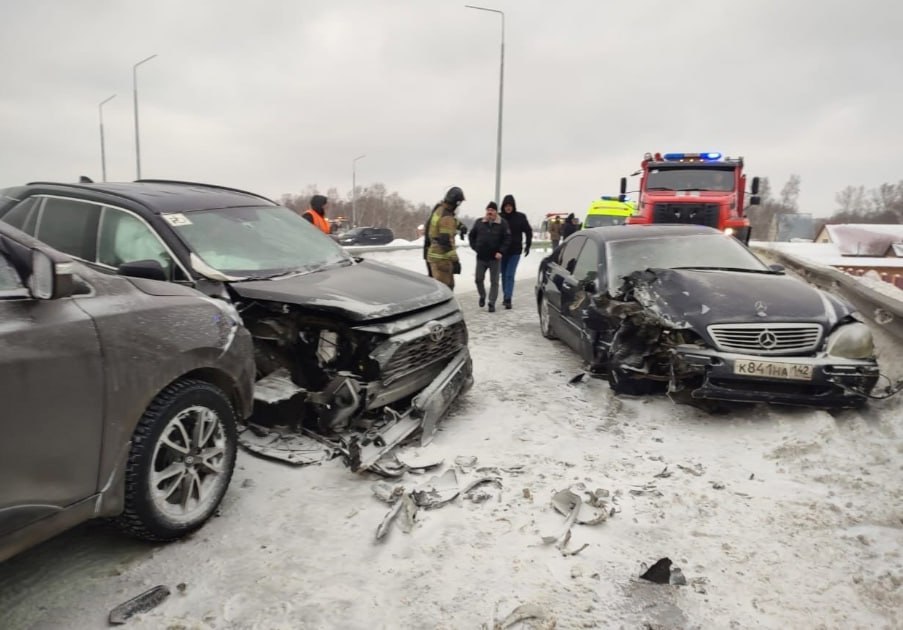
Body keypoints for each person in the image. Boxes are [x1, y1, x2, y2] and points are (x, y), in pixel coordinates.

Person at [468, 201, 511, 312]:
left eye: (492, 210)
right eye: (488, 210)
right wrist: (475, 247)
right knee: (478, 279)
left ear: (496, 212)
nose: (490, 212)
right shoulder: (479, 222)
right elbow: (471, 236)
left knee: (494, 281)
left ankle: (491, 302)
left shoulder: (502, 223)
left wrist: (501, 252)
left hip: (494, 258)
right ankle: (482, 295)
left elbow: (507, 239)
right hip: (481, 257)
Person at [426, 186, 465, 289]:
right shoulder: (447, 217)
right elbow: (446, 242)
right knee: (446, 290)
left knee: (441, 289)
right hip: (442, 260)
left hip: (434, 256)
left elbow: (450, 221)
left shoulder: (439, 210)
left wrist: (461, 226)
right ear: (456, 203)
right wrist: (456, 261)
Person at [498, 194, 533, 309]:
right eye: (506, 206)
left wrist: (528, 244)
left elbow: (528, 231)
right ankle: (505, 295)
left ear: (513, 206)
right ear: (503, 206)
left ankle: (508, 298)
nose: (508, 208)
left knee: (509, 274)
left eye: (510, 205)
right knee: (503, 274)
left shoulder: (520, 217)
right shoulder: (499, 218)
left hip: (515, 251)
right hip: (502, 251)